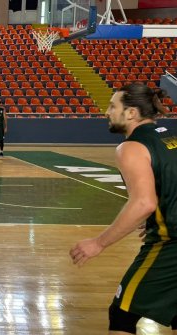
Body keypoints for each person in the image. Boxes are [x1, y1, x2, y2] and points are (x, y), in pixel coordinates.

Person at [70, 83, 177, 334]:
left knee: (122, 314)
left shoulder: (130, 147)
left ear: (131, 113)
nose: (106, 112)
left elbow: (144, 203)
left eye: (112, 106)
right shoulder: (170, 135)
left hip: (171, 243)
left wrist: (99, 243)